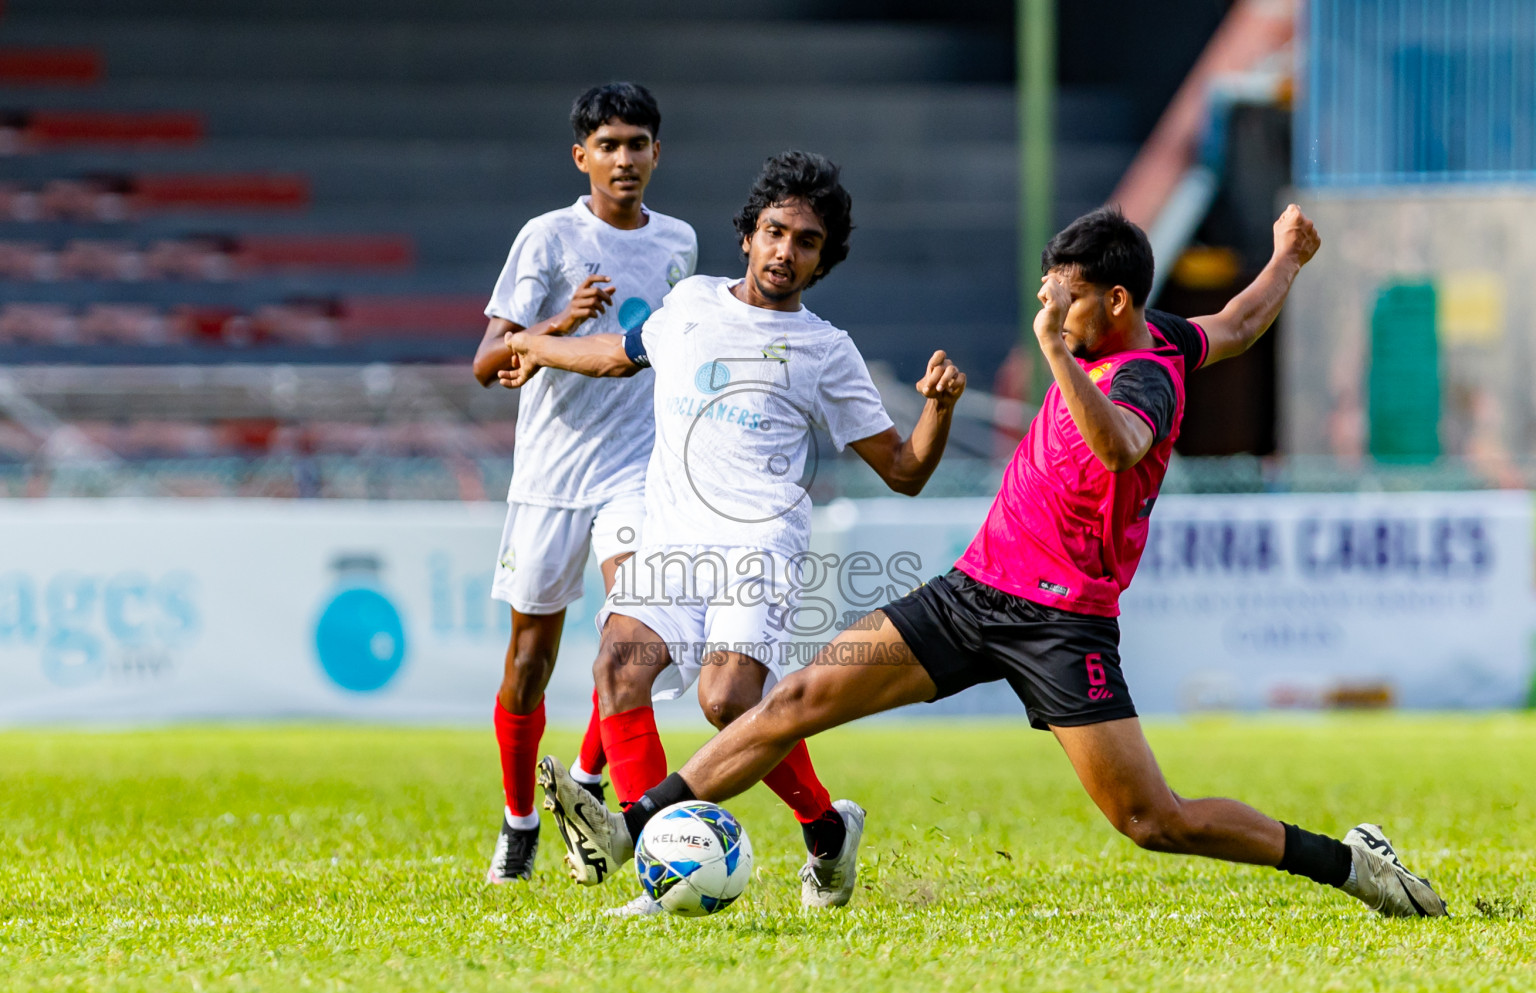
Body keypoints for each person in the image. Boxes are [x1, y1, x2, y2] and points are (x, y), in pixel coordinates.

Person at [537, 204, 1450, 919]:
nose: (1050, 308)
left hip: (1062, 623)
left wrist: (1055, 351)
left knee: (1150, 821)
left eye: (1064, 296)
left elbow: (1122, 448)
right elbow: (1242, 323)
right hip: (973, 593)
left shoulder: (1144, 374)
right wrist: (1287, 255)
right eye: (1048, 294)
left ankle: (1349, 863)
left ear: (1115, 303)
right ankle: (629, 826)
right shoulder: (1168, 330)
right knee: (794, 701)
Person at [500, 151, 967, 914]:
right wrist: (534, 346)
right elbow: (617, 357)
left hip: (759, 546)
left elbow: (905, 470)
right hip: (671, 535)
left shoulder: (826, 349)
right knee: (617, 669)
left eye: (806, 241)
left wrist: (938, 411)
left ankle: (824, 831)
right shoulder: (687, 303)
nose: (786, 250)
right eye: (775, 231)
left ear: (824, 259)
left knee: (728, 701)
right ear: (748, 235)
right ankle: (657, 873)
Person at [471, 82, 697, 884]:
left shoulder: (679, 244)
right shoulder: (547, 239)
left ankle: (596, 789)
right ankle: (521, 821)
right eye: (608, 145)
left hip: (637, 474)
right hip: (551, 476)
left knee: (630, 639)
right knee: (528, 662)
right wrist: (559, 327)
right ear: (582, 156)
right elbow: (487, 362)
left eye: (638, 144)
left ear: (656, 154)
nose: (624, 159)